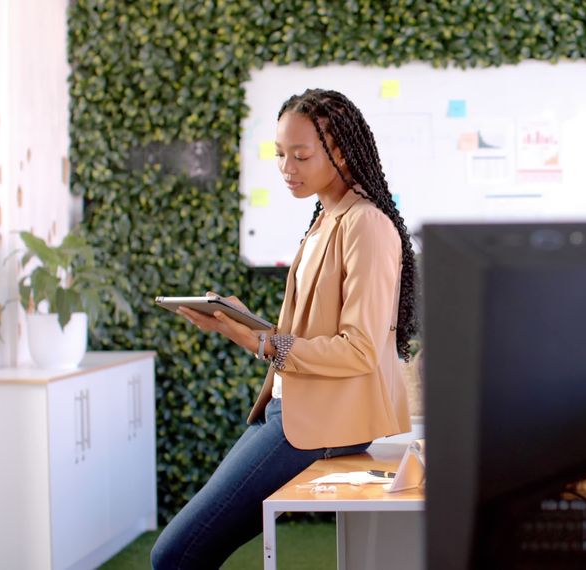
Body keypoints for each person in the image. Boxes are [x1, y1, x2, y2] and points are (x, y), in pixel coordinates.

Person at [151, 88, 418, 568]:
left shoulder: (366, 226)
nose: (286, 167)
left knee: (176, 556)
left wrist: (255, 339)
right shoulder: (326, 218)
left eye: (301, 154)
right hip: (293, 410)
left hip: (317, 422)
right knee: (180, 554)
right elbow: (312, 331)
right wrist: (241, 319)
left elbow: (357, 349)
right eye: (279, 153)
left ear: (339, 152)